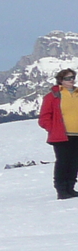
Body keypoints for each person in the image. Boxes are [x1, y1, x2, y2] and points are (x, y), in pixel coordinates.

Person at [38, 68, 78, 198]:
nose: (71, 80)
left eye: (72, 77)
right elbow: (44, 118)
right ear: (61, 80)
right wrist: (54, 129)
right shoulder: (53, 96)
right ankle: (61, 190)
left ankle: (70, 188)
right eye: (67, 78)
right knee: (63, 162)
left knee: (74, 162)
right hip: (62, 136)